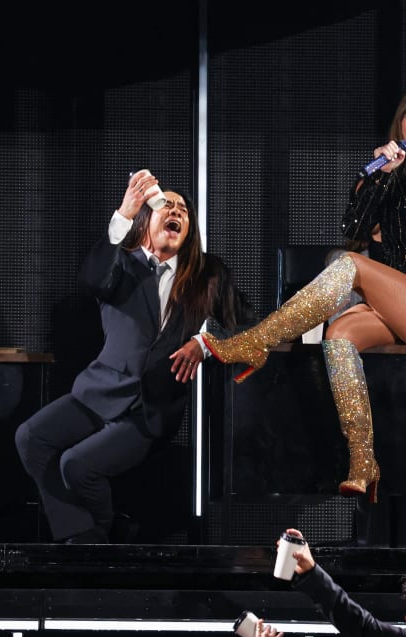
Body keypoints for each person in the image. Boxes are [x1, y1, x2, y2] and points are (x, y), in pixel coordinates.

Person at [202, 86, 406, 502]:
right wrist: (377, 177)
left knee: (352, 267)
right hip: (397, 304)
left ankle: (256, 341)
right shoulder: (390, 176)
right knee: (337, 338)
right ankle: (363, 463)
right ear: (400, 126)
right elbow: (353, 231)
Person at [14, 170, 255, 544]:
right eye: (166, 205)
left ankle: (96, 533)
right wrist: (124, 213)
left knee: (77, 466)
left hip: (151, 407)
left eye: (183, 210)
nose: (175, 211)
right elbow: (91, 281)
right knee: (31, 437)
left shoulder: (209, 273)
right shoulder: (121, 263)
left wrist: (206, 342)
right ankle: (86, 534)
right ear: (145, 220)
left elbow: (246, 325)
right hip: (100, 392)